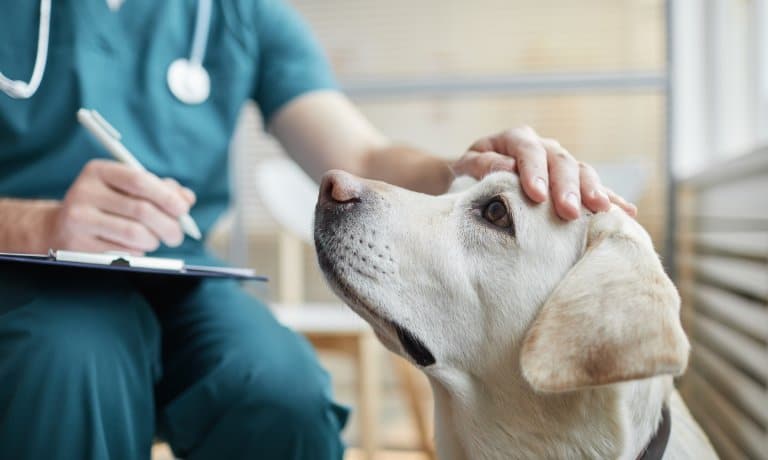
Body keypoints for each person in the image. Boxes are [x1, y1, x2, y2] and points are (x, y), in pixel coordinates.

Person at [0, 1, 636, 459]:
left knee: (282, 391)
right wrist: (36, 222)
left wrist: (460, 167)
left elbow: (361, 157)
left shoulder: (239, 14)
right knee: (69, 362)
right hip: (22, 275)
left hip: (181, 273)